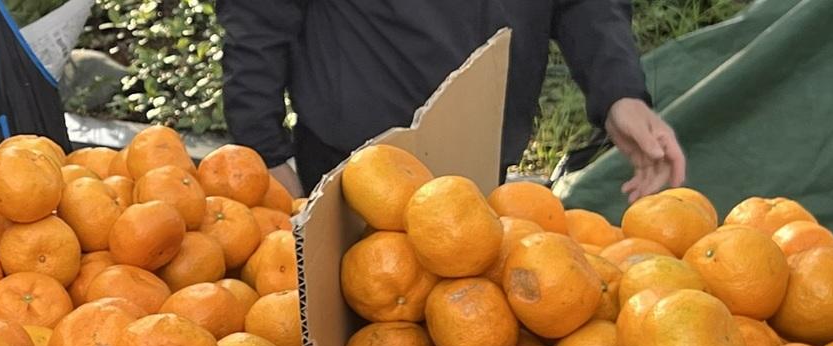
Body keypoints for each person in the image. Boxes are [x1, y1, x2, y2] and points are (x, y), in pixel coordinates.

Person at [217, 0, 686, 201]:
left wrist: (619, 93)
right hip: (355, 167)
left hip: (482, 158)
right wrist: (263, 149)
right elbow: (259, 13)